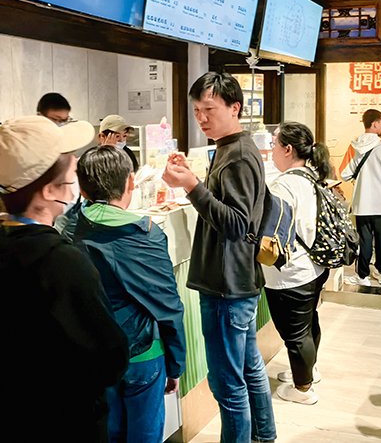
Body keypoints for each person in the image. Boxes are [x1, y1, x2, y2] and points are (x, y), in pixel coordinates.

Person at [161, 72, 276, 443]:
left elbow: (236, 224)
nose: (201, 118)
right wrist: (193, 178)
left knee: (228, 385)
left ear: (235, 107)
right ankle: (264, 435)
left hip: (227, 285)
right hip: (237, 280)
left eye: (209, 109)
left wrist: (191, 185)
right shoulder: (232, 147)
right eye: (197, 110)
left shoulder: (238, 155)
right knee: (249, 369)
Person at [0, 116, 129, 441]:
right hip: (67, 422)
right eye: (71, 172)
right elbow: (109, 357)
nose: (77, 170)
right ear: (48, 191)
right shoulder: (63, 264)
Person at [72, 146, 187, 442]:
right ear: (131, 182)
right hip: (142, 352)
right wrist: (175, 364)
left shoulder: (70, 229)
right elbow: (168, 306)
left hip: (92, 353)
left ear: (81, 189)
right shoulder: (146, 234)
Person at [263, 122, 331, 405]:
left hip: (290, 274)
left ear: (288, 149)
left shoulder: (283, 185)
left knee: (295, 334)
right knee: (308, 322)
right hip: (314, 266)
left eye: (274, 144)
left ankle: (303, 389)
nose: (271, 150)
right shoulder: (310, 176)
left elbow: (273, 235)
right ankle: (307, 371)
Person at [340, 109, 381, 287]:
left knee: (364, 240)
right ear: (374, 124)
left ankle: (362, 276)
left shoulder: (354, 146)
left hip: (362, 201)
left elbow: (345, 173)